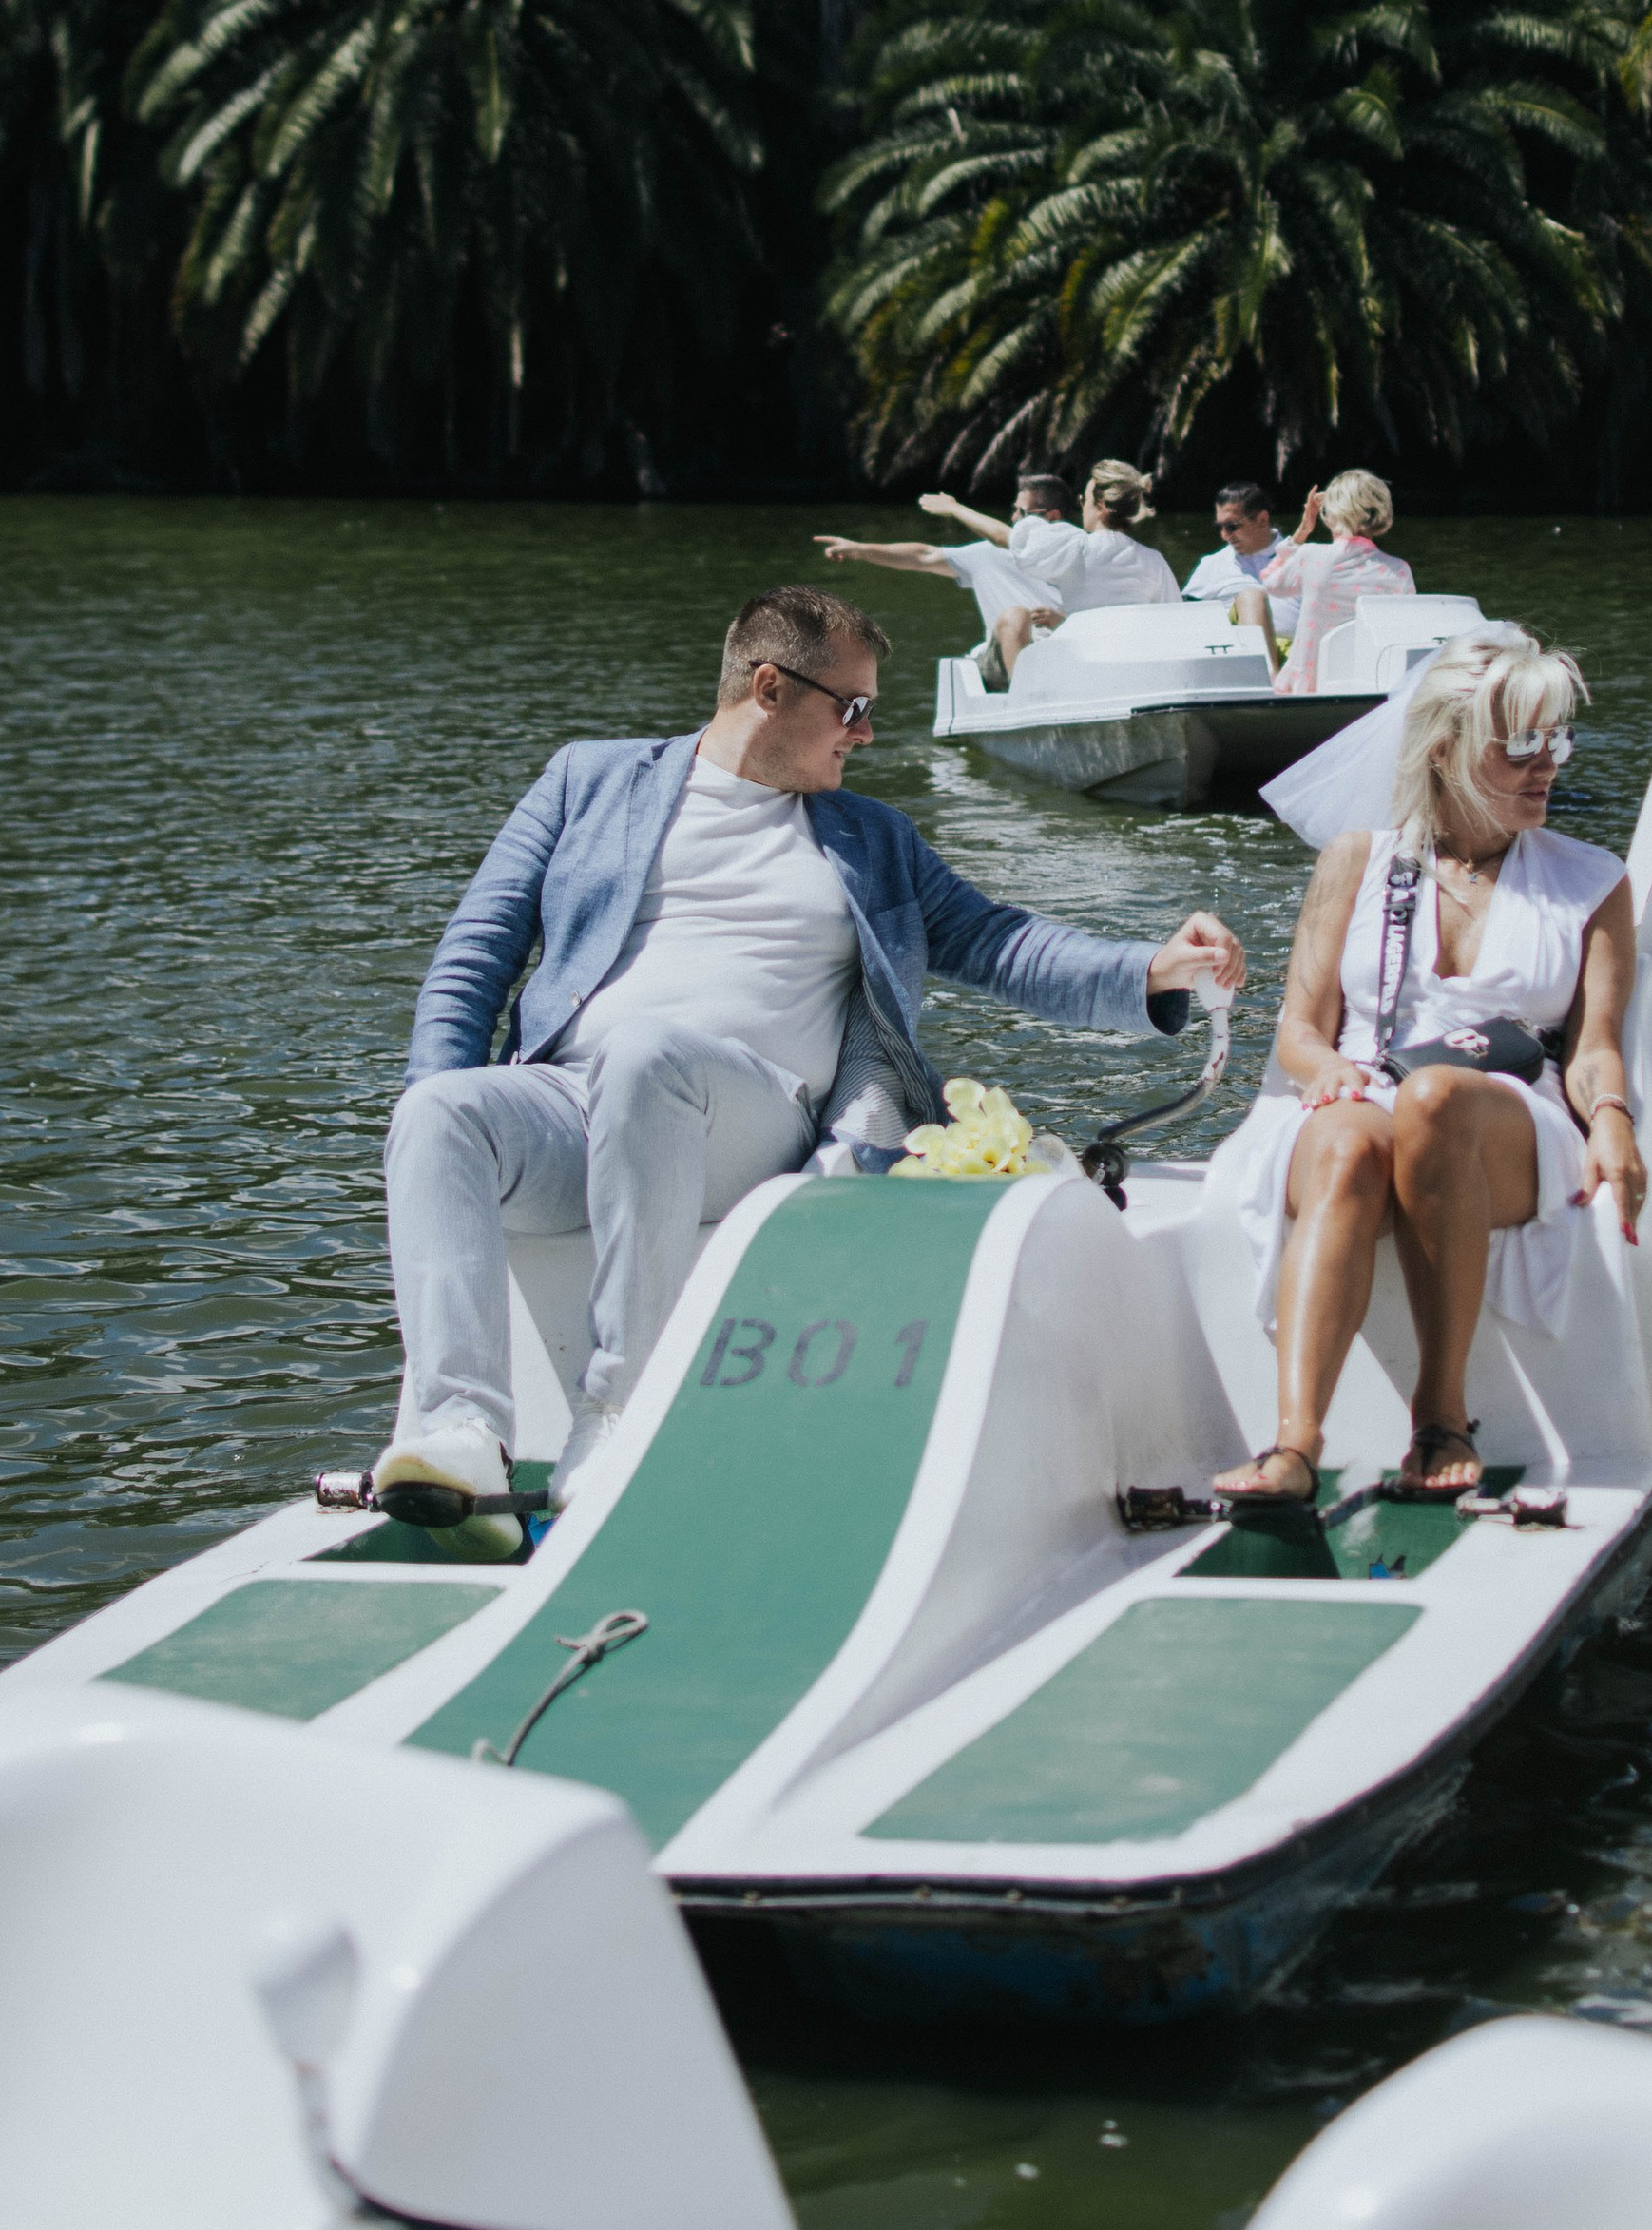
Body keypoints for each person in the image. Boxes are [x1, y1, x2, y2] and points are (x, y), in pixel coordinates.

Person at [374, 583, 1246, 1526]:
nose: (866, 733)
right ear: (768, 687)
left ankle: (621, 1408)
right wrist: (439, 1096)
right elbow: (473, 956)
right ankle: (459, 1424)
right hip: (572, 1102)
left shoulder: (872, 840)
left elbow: (998, 943)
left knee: (649, 1057)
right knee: (438, 1110)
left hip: (746, 1120)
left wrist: (1153, 970)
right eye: (854, 707)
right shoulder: (589, 781)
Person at [1201, 625, 1644, 1507]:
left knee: (1437, 1097)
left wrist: (1617, 1124)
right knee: (1345, 1146)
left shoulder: (1593, 881)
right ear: (1444, 749)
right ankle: (1295, 1444)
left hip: (1509, 1122)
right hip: (1365, 1089)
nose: (1545, 764)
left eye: (1555, 740)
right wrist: (1323, 1069)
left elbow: (1593, 1045)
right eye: (1519, 745)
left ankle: (1440, 1410)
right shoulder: (1356, 862)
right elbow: (1299, 1027)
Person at [816, 460, 1181, 682]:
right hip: (1105, 663)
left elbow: (1011, 538)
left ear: (1099, 505)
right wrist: (861, 549)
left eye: (1022, 514)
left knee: (1017, 617)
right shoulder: (1152, 560)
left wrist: (957, 510)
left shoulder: (1069, 547)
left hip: (1081, 662)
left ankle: (1028, 704)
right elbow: (1170, 622)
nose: (1016, 523)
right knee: (1014, 617)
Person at [1231, 469, 1413, 692]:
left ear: (1330, 515)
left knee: (1250, 598)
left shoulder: (1312, 557)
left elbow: (1269, 582)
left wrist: (1303, 530)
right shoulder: (1399, 571)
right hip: (1369, 686)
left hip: (1305, 688)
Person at [1182, 482, 1288, 600]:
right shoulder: (1211, 565)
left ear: (1262, 521)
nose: (1224, 536)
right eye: (1220, 527)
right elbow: (1186, 612)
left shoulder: (1300, 559)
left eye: (1231, 526)